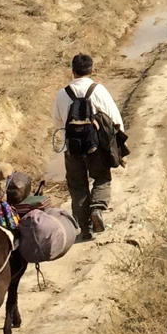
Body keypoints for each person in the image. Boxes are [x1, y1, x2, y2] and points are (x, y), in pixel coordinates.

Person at [56, 54, 125, 241]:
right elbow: (115, 118)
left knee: (78, 187)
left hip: (72, 149)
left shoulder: (62, 94)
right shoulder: (98, 90)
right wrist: (119, 143)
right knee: (102, 178)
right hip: (96, 148)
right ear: (91, 70)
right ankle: (97, 209)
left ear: (72, 71)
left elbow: (58, 123)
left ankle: (84, 229)